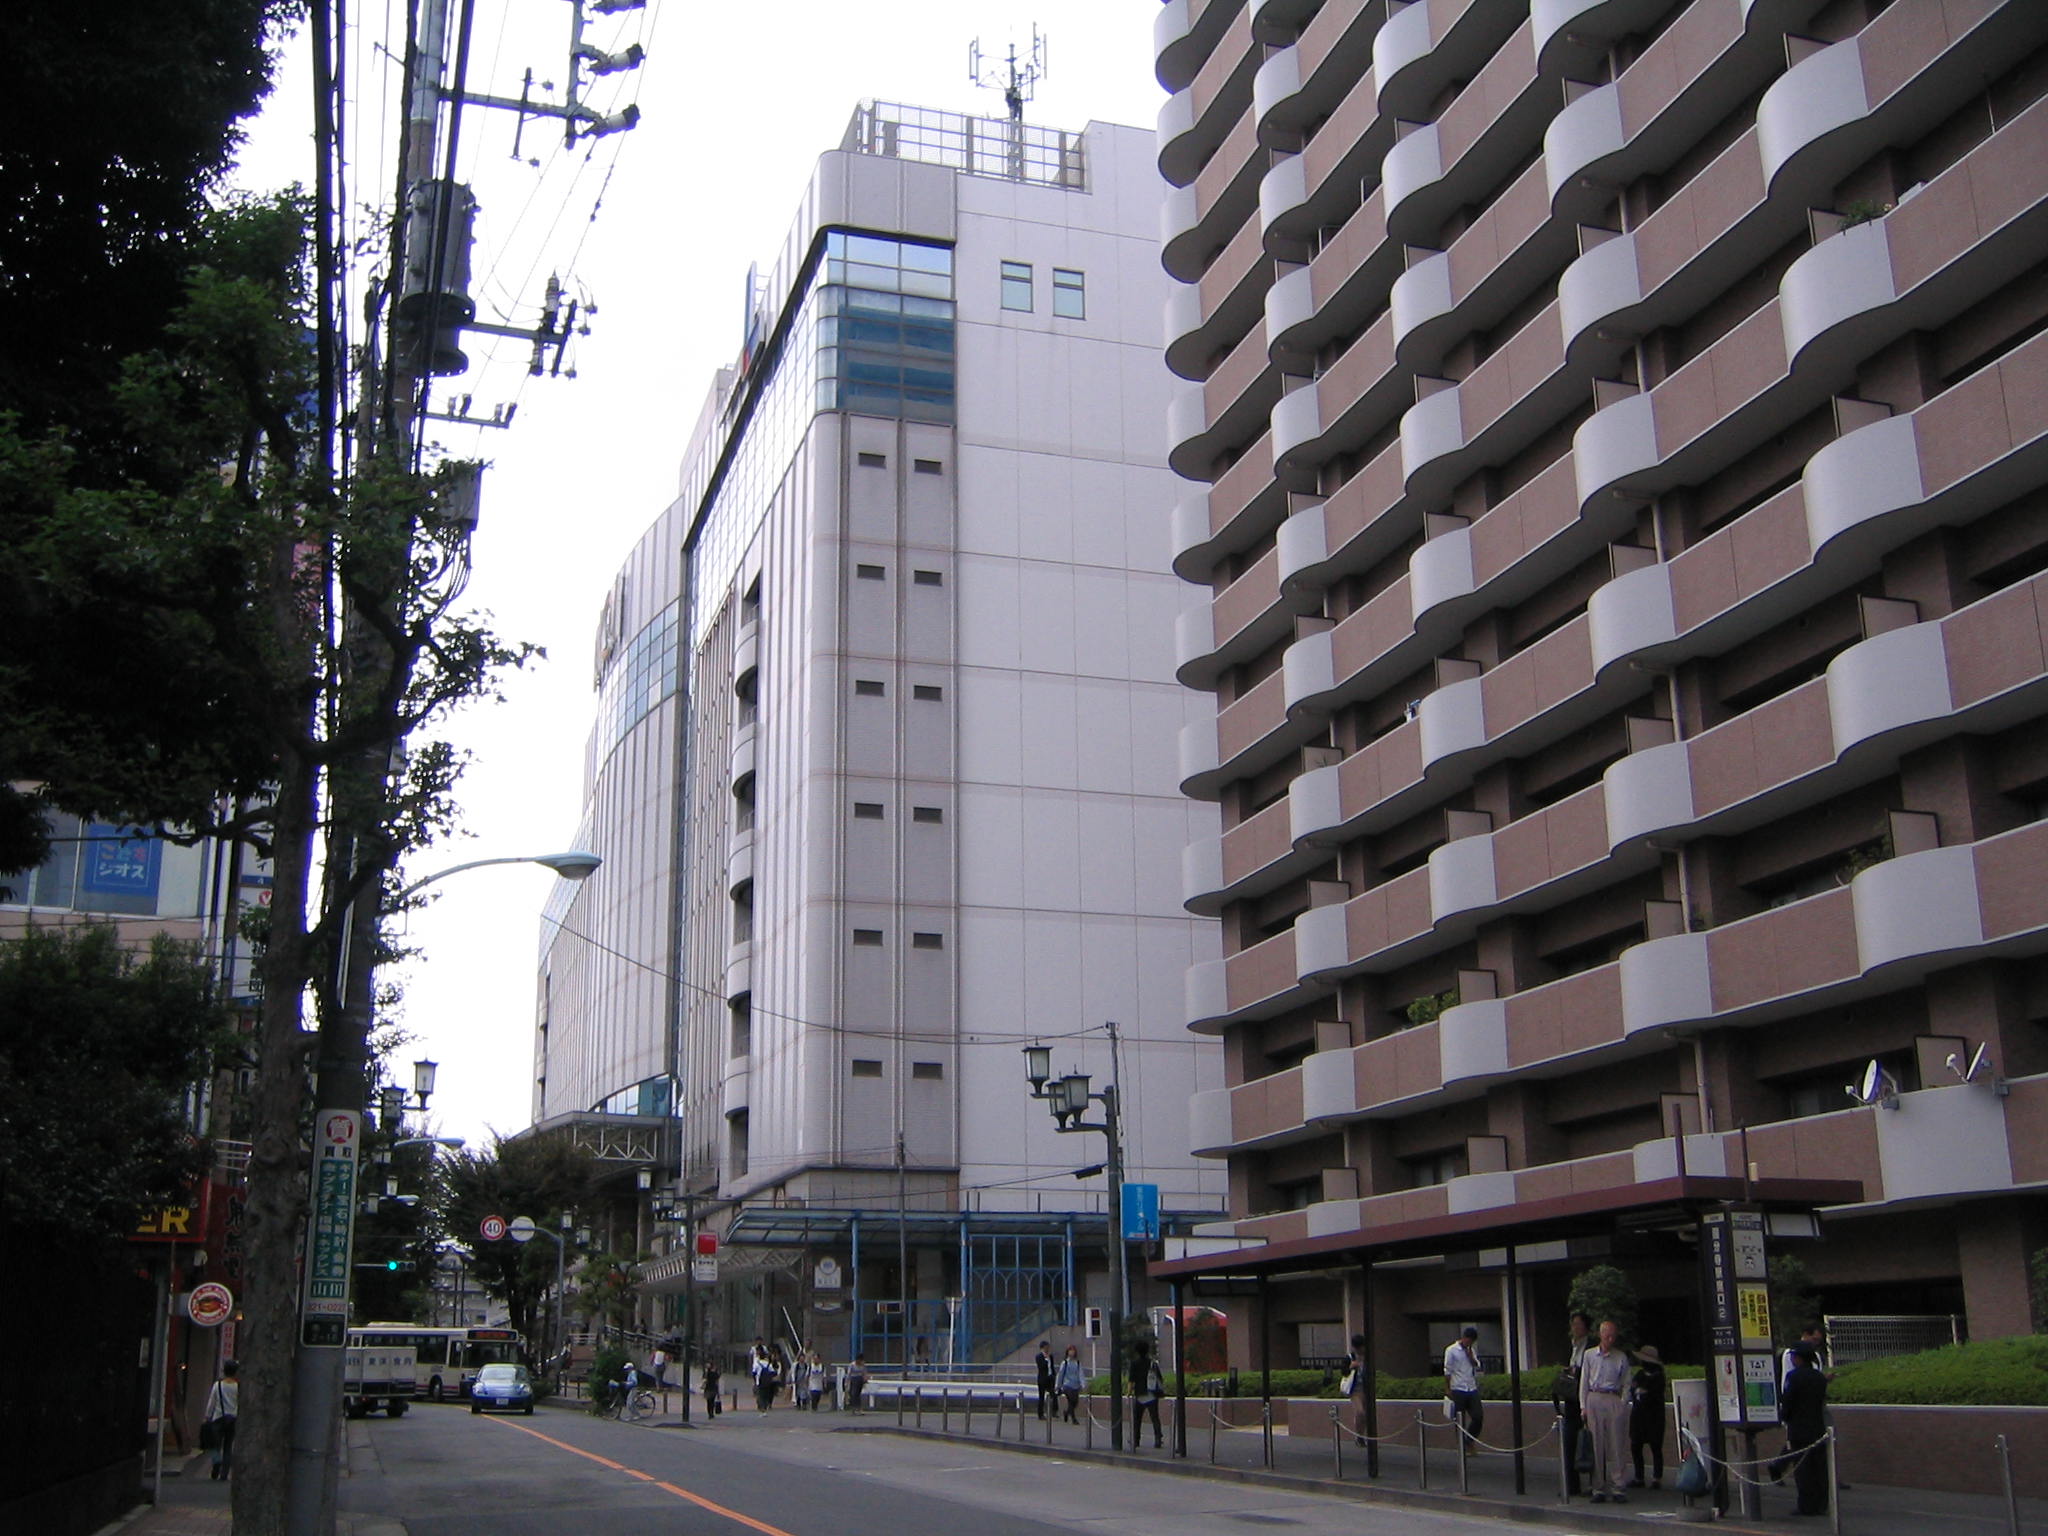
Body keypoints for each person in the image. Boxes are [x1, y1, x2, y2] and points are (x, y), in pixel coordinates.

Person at [1579, 1320, 1632, 1503]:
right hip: (1594, 1396)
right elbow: (1584, 1381)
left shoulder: (1621, 1357)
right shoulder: (1589, 1355)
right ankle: (1598, 1487)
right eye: (1607, 1335)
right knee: (1596, 1444)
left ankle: (1618, 1486)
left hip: (1612, 1397)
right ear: (1601, 1335)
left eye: (1613, 1336)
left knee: (1617, 1444)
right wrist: (1583, 1406)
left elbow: (1627, 1382)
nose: (1610, 1339)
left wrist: (1623, 1403)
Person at [1779, 1343, 1831, 1517]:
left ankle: (1806, 1506)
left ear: (1799, 1358)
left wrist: (1783, 1417)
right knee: (1819, 1468)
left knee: (1803, 1469)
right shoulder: (1819, 1377)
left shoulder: (1793, 1377)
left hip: (1799, 1428)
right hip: (1818, 1427)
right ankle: (1822, 1504)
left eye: (1794, 1356)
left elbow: (1788, 1402)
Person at [1554, 1312, 1592, 1497]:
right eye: (1573, 1324)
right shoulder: (1573, 1347)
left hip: (1586, 1400)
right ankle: (1571, 1484)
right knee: (1569, 1442)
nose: (1574, 1328)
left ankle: (1593, 1483)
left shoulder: (1591, 1347)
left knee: (1587, 1442)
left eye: (1578, 1324)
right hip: (1571, 1400)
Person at [1627, 1343, 1668, 1489]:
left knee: (1656, 1446)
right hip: (1638, 1415)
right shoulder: (1639, 1374)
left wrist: (1643, 1392)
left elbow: (1654, 1394)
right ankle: (1639, 1476)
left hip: (1654, 1416)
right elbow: (1633, 1389)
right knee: (1635, 1446)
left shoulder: (1659, 1377)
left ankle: (1657, 1477)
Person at [1442, 1325, 1484, 1450]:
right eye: (1469, 1341)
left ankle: (1469, 1439)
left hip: (1471, 1387)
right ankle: (1462, 1445)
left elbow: (1477, 1365)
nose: (1469, 1343)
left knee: (1478, 1416)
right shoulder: (1451, 1350)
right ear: (1464, 1338)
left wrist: (1470, 1355)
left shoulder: (1471, 1350)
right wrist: (1447, 1388)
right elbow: (1447, 1370)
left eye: (1472, 1342)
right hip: (1457, 1388)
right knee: (1459, 1419)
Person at [202, 1360, 239, 1481]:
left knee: (215, 1446)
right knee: (228, 1447)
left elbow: (211, 1402)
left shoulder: (218, 1385)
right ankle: (224, 1474)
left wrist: (207, 1416)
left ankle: (216, 1465)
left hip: (218, 1418)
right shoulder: (238, 1387)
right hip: (232, 1419)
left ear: (224, 1370)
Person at [1130, 1342, 1165, 1449]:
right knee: (1155, 1417)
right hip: (1152, 1393)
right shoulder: (1153, 1364)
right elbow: (1160, 1379)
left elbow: (1131, 1380)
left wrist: (1129, 1392)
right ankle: (1158, 1439)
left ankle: (1136, 1440)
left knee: (1137, 1419)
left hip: (1140, 1394)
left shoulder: (1134, 1364)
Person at [1347, 1334, 1369, 1448]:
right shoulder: (1350, 1357)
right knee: (1360, 1412)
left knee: (1366, 1414)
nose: (1361, 1349)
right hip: (1355, 1389)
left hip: (1366, 1389)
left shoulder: (1368, 1357)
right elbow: (1343, 1372)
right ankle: (1359, 1436)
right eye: (1358, 1347)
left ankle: (1362, 1436)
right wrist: (1350, 1367)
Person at [1055, 1343, 1085, 1424]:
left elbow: (1080, 1374)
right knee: (1071, 1400)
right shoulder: (1065, 1362)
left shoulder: (1077, 1363)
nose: (1072, 1352)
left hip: (1076, 1385)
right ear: (1067, 1352)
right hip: (1067, 1385)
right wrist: (1058, 1385)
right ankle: (1074, 1419)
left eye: (1073, 1351)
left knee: (1075, 1402)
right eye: (1070, 1351)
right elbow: (1060, 1374)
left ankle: (1067, 1412)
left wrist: (1083, 1384)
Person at [1034, 1341, 1056, 1421]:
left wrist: (1054, 1375)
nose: (1048, 1349)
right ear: (1042, 1347)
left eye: (1048, 1347)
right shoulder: (1039, 1356)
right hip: (1042, 1379)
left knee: (1053, 1394)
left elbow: (1052, 1367)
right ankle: (1040, 1414)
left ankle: (1054, 1411)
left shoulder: (1051, 1356)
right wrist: (1046, 1360)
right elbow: (1041, 1367)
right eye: (1046, 1347)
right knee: (1041, 1397)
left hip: (1050, 1378)